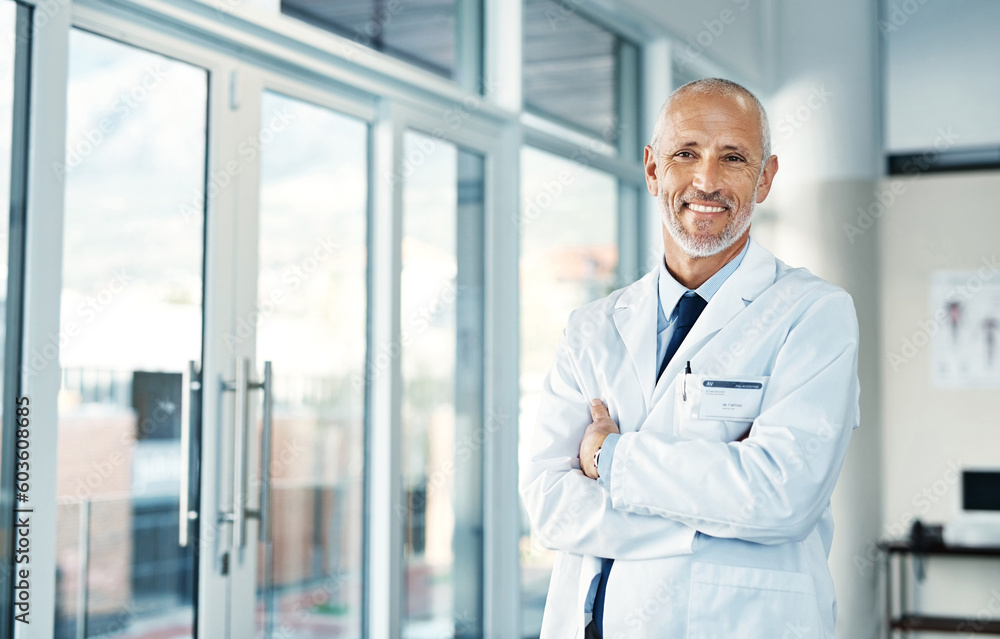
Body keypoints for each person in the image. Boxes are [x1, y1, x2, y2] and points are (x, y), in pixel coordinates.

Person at [519, 78, 860, 639]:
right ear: (654, 169)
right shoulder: (593, 327)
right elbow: (550, 505)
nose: (706, 180)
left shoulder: (814, 313)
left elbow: (781, 498)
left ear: (765, 178)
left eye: (733, 158)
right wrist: (713, 516)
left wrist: (609, 458)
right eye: (686, 154)